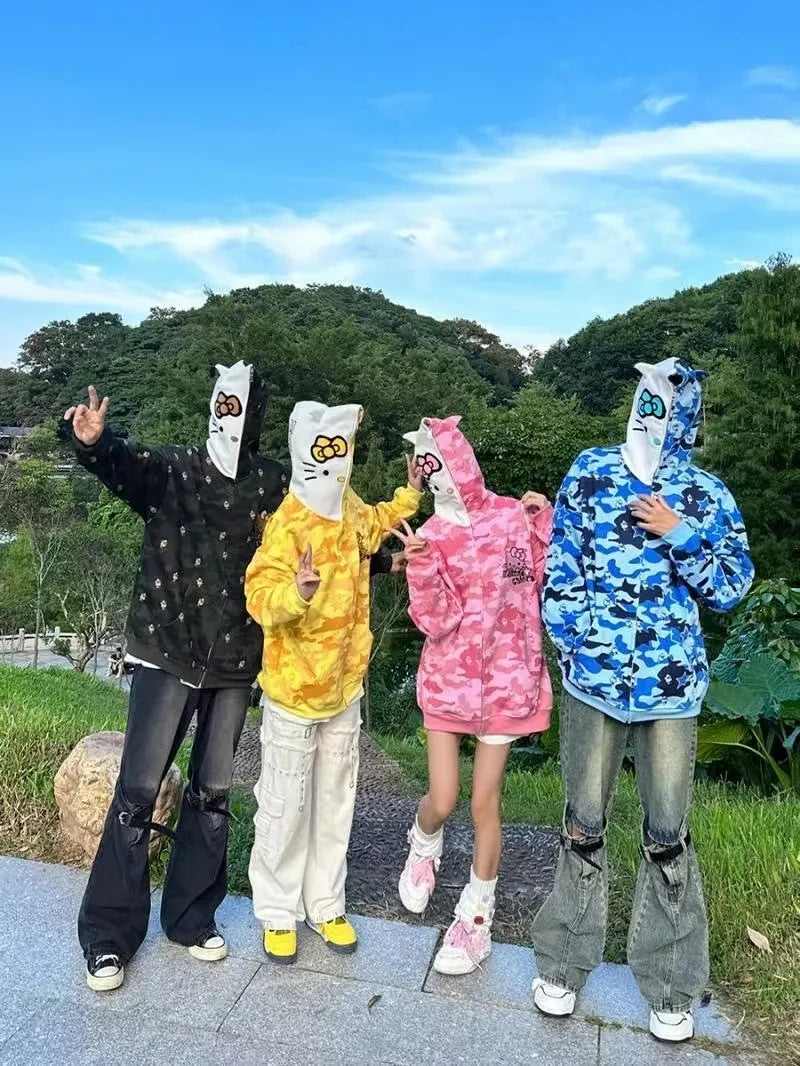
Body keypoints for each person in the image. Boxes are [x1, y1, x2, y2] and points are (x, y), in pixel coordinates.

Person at [531, 358, 754, 1043]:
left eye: (672, 401)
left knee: (666, 834)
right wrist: (574, 642)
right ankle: (564, 964)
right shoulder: (592, 471)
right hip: (592, 683)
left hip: (671, 692)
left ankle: (671, 985)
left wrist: (678, 532)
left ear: (689, 414)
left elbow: (731, 586)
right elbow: (560, 564)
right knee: (583, 822)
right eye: (650, 397)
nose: (656, 412)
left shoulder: (706, 494)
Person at [66, 363, 288, 992]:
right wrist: (94, 443)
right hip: (166, 651)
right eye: (223, 404)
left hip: (236, 660)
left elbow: (317, 543)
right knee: (137, 793)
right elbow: (126, 467)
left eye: (241, 407)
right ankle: (108, 935)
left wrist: (380, 557)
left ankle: (191, 918)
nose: (230, 417)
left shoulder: (274, 482)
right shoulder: (176, 469)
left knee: (212, 793)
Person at [244, 401, 422, 964]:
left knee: (335, 799)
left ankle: (325, 903)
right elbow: (257, 598)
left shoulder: (345, 505)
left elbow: (373, 523)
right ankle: (277, 909)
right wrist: (295, 594)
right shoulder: (287, 522)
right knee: (284, 803)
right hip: (294, 692)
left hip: (346, 686)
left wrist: (411, 492)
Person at [394, 415, 553, 975]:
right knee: (442, 797)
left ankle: (475, 920)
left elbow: (537, 576)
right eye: (433, 472)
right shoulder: (431, 535)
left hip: (508, 683)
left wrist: (542, 522)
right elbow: (437, 622)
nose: (446, 481)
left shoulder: (511, 516)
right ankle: (423, 842)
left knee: (485, 802)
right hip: (449, 680)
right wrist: (419, 568)